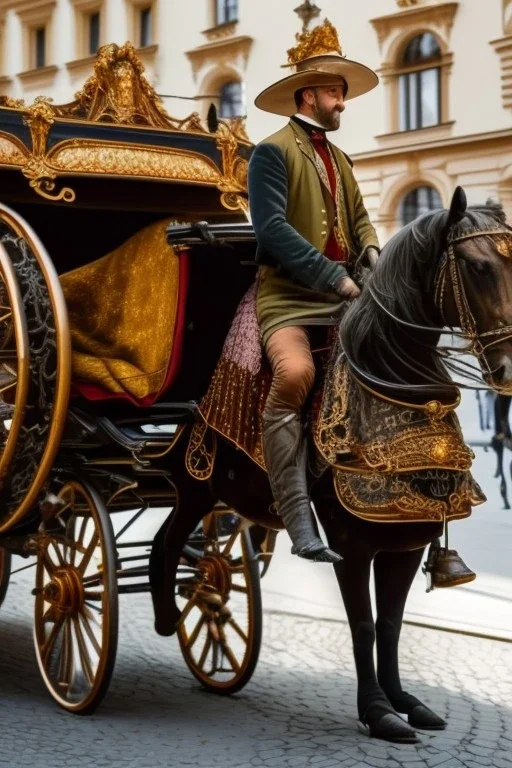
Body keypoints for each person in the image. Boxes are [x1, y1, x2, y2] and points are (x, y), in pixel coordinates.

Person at [249, 19, 380, 563]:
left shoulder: (340, 158)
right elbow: (272, 230)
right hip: (287, 299)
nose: (342, 103)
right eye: (334, 92)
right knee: (297, 374)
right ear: (308, 95)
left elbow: (361, 219)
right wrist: (333, 277)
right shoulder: (271, 152)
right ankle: (296, 515)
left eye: (343, 93)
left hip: (345, 295)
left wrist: (372, 254)